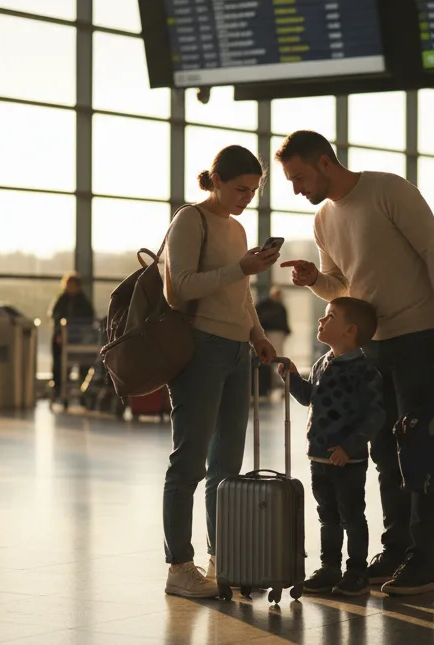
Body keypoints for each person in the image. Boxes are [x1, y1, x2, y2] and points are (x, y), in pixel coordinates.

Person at [276, 130, 434, 596]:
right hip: (371, 348)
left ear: (324, 162)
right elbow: (343, 289)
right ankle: (396, 549)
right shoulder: (323, 220)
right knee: (382, 454)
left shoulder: (389, 190)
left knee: (419, 450)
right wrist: (316, 279)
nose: (296, 188)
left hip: (419, 336)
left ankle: (424, 561)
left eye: (298, 177)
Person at [161, 145, 279, 599]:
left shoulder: (238, 227)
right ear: (216, 179)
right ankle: (179, 565)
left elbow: (241, 294)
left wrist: (258, 335)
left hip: (236, 351)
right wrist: (240, 267)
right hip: (201, 347)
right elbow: (180, 288)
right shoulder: (190, 220)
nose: (246, 198)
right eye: (239, 189)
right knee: (189, 461)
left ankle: (222, 558)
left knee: (227, 467)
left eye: (253, 191)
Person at [279, 297, 384, 597]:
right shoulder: (322, 362)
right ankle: (329, 567)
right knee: (327, 515)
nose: (321, 321)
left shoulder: (364, 370)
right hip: (319, 458)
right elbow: (311, 397)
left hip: (346, 461)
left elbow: (375, 414)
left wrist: (350, 448)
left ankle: (356, 571)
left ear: (349, 330)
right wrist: (292, 378)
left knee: (352, 514)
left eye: (330, 317)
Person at [48, 272, 95, 400]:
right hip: (62, 339)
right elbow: (55, 317)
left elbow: (88, 320)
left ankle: (83, 389)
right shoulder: (61, 300)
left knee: (84, 364)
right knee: (59, 363)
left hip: (78, 339)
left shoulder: (83, 302)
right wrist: (59, 333)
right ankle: (58, 388)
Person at [254, 286, 290, 400]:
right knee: (272, 359)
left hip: (275, 334)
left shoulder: (276, 306)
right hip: (269, 333)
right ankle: (269, 385)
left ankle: (275, 384)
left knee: (276, 359)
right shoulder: (267, 306)